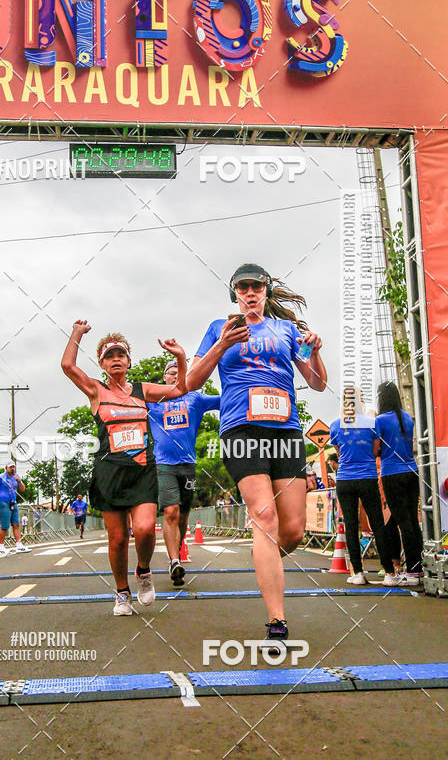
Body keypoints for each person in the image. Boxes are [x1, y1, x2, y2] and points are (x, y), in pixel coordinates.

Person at [186, 262, 327, 647]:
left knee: (293, 528)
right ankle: (277, 620)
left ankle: (263, 553)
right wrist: (223, 344)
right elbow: (191, 381)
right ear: (235, 294)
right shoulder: (220, 328)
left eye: (257, 287)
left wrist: (314, 352)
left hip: (285, 429)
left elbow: (316, 383)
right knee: (265, 515)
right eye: (243, 287)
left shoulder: (285, 330)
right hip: (241, 428)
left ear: (266, 291)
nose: (251, 293)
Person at [61, 321, 187, 616]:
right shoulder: (95, 390)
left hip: (142, 469)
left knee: (143, 529)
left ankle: (143, 571)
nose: (115, 359)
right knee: (117, 538)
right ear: (102, 363)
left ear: (129, 361)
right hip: (109, 472)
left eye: (121, 354)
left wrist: (180, 357)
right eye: (109, 356)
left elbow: (181, 388)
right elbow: (68, 365)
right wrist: (77, 333)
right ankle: (121, 592)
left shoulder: (143, 391)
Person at [148, 359, 220, 586]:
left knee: (183, 515)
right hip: (163, 465)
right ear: (164, 378)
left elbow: (224, 400)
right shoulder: (152, 401)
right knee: (170, 511)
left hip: (188, 466)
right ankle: (174, 561)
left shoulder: (195, 398)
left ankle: (177, 552)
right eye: (170, 372)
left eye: (179, 372)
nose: (175, 375)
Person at [330, 387, 398, 586]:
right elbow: (376, 449)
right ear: (361, 401)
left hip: (345, 479)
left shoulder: (335, 425)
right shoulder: (372, 423)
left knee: (351, 525)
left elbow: (339, 453)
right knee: (377, 524)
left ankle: (358, 573)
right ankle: (389, 573)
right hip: (367, 477)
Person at [375, 381, 423, 587]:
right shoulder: (407, 418)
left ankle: (411, 572)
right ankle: (417, 568)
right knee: (412, 520)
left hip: (392, 473)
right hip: (411, 471)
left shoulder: (380, 420)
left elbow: (376, 450)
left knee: (403, 522)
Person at [0, 462, 32, 556]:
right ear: (6, 468)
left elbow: (23, 489)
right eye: (10, 467)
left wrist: (19, 481)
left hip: (13, 502)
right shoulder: (1, 477)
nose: (12, 468)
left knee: (16, 524)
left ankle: (19, 544)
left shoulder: (16, 477)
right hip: (2, 503)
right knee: (5, 525)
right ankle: (1, 547)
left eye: (13, 467)